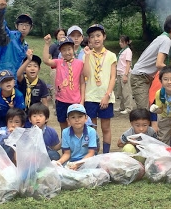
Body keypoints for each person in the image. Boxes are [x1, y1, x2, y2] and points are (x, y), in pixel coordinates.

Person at [130, 14, 171, 110]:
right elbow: (159, 64)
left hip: (144, 77)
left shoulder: (162, 38)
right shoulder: (166, 40)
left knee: (152, 108)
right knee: (144, 111)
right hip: (140, 78)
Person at [83, 24, 117, 154]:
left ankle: (106, 155)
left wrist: (107, 95)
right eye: (92, 37)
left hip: (106, 97)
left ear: (104, 36)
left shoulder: (111, 55)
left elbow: (113, 77)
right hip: (91, 96)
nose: (96, 39)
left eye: (98, 35)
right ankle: (93, 153)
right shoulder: (87, 55)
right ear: (89, 40)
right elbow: (86, 75)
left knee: (106, 127)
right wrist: (86, 56)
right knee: (92, 128)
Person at [43, 35, 86, 131]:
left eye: (69, 49)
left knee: (76, 126)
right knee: (63, 126)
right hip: (61, 101)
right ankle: (65, 145)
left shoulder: (80, 63)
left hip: (75, 101)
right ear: (60, 52)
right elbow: (46, 60)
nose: (67, 52)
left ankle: (75, 145)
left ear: (73, 49)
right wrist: (47, 44)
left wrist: (82, 101)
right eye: (64, 50)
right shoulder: (58, 62)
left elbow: (82, 83)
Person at [0, 0, 33, 82]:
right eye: (21, 24)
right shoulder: (9, 37)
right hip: (3, 79)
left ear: (30, 28)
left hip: (16, 82)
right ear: (16, 26)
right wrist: (0, 11)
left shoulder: (25, 45)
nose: (24, 28)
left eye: (27, 25)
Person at [16, 50, 50, 116]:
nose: (32, 68)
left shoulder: (41, 84)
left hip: (34, 113)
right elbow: (18, 74)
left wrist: (45, 117)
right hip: (20, 112)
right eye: (29, 66)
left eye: (35, 66)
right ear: (25, 69)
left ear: (39, 69)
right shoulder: (23, 80)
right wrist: (28, 60)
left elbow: (44, 103)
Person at [116, 35, 135, 115]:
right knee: (120, 91)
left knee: (126, 91)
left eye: (122, 42)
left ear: (126, 43)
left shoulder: (128, 51)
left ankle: (129, 107)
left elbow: (128, 64)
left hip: (124, 73)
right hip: (119, 73)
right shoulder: (122, 51)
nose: (120, 43)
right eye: (120, 41)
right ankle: (122, 106)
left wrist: (126, 75)